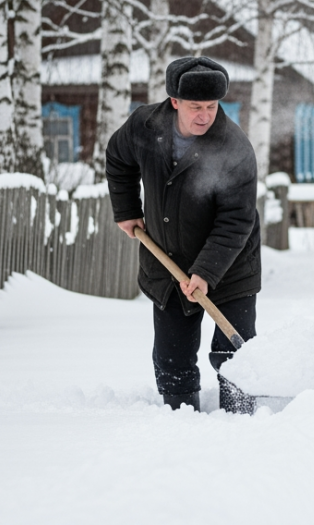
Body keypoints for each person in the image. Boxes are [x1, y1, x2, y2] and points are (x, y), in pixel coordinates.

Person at [106, 56, 262, 413]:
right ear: (174, 101)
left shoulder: (234, 148)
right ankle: (179, 417)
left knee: (232, 354)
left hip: (231, 264)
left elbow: (236, 221)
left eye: (211, 106)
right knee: (171, 354)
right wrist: (127, 209)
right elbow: (118, 158)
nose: (205, 115)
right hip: (168, 258)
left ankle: (241, 421)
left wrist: (205, 273)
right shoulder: (145, 125)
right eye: (195, 107)